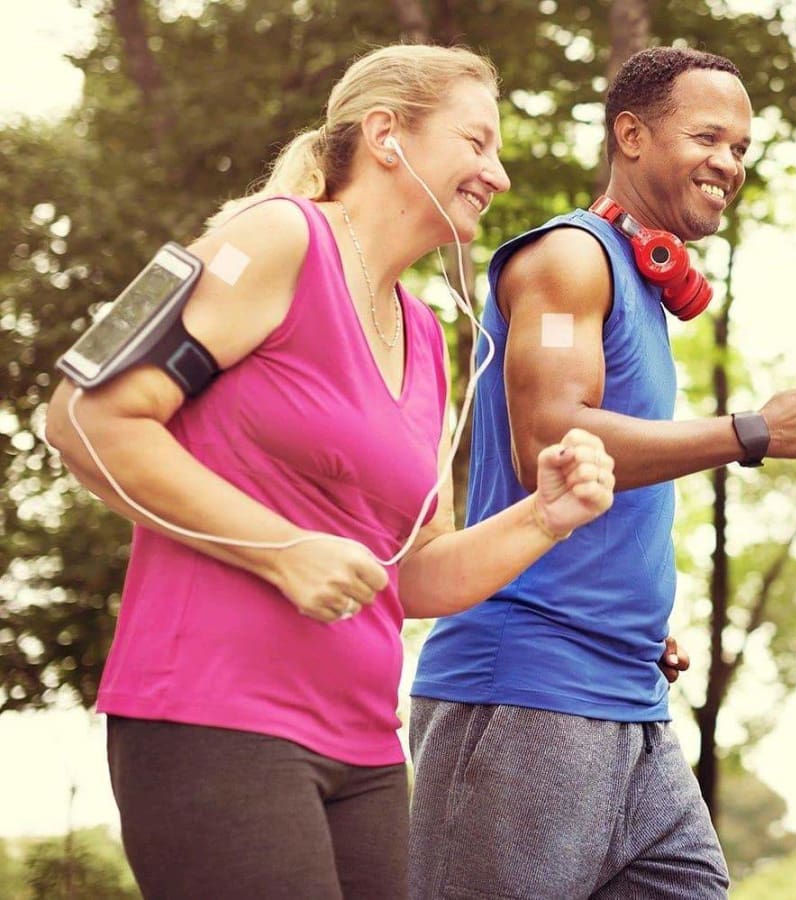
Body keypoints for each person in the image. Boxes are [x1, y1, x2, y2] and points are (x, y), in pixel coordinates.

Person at [45, 44, 616, 900]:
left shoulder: (427, 335)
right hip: (212, 717)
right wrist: (282, 550)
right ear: (386, 135)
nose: (496, 173)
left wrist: (547, 513)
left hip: (366, 751)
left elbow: (412, 575)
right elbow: (86, 416)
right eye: (476, 142)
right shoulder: (276, 237)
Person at [409, 46, 796, 900]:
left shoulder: (640, 290)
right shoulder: (570, 258)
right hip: (527, 689)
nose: (729, 161)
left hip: (629, 692)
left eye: (742, 147)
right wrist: (752, 431)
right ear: (632, 135)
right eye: (708, 136)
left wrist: (639, 612)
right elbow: (550, 440)